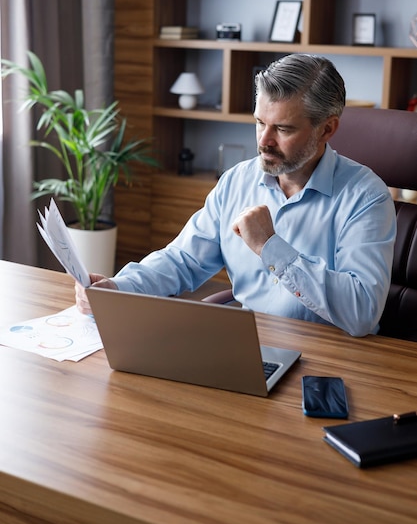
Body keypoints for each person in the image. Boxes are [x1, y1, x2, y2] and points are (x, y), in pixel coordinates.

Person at [76, 54, 396, 337]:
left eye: (283, 129)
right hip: (251, 349)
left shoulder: (366, 197)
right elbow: (183, 260)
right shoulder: (237, 181)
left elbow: (361, 313)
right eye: (259, 123)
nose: (264, 141)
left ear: (327, 129)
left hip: (334, 362)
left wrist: (270, 247)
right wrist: (119, 287)